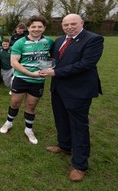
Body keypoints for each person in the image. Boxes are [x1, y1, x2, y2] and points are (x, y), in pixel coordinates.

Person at [40, 14, 104, 182]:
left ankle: (79, 165)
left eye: (73, 23)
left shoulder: (94, 39)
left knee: (79, 126)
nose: (69, 27)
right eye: (66, 24)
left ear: (81, 23)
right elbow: (54, 59)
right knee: (61, 119)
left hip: (78, 90)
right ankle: (65, 146)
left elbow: (85, 64)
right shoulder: (60, 40)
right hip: (58, 89)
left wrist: (55, 72)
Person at [0, 15, 54, 145]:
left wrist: (49, 68)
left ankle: (28, 130)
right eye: (33, 26)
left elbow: (54, 58)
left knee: (31, 106)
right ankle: (9, 123)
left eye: (39, 27)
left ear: (44, 28)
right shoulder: (20, 43)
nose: (36, 29)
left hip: (38, 81)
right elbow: (14, 63)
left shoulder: (49, 42)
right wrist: (31, 73)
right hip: (21, 79)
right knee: (15, 103)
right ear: (28, 28)